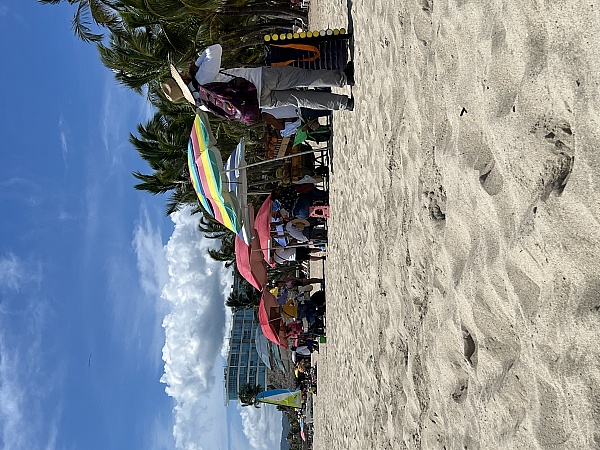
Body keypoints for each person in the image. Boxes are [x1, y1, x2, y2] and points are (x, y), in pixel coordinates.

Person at [168, 43, 354, 111]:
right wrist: (197, 64)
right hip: (260, 78)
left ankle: (344, 103)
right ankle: (344, 79)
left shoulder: (200, 103)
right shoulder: (202, 77)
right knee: (304, 77)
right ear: (182, 81)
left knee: (300, 99)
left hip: (256, 100)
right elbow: (215, 49)